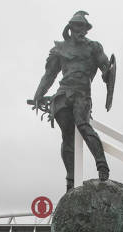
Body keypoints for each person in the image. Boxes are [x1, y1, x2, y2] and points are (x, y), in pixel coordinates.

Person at [32, 10, 115, 190]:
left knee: (83, 125)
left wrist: (108, 73)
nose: (80, 30)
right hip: (63, 95)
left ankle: (102, 165)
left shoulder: (94, 47)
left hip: (82, 94)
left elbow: (105, 66)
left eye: (83, 27)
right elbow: (49, 75)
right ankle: (71, 179)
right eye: (77, 26)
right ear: (70, 27)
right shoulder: (59, 49)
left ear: (86, 29)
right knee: (67, 137)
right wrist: (38, 94)